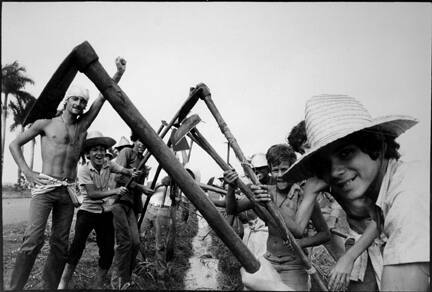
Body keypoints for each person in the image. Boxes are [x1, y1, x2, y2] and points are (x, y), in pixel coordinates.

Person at [283, 94, 429, 291]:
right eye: (317, 157)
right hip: (368, 242)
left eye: (345, 153)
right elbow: (298, 228)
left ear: (376, 144)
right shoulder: (324, 181)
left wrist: (349, 257)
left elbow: (379, 221)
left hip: (375, 242)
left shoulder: (408, 196)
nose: (335, 171)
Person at [8, 57, 126, 290]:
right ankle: (14, 288)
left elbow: (102, 97)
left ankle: (50, 287)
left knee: (60, 244)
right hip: (45, 188)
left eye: (83, 101)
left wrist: (118, 73)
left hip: (67, 191)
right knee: (32, 241)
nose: (80, 104)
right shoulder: (45, 124)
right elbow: (14, 144)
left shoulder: (82, 127)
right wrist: (27, 171)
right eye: (76, 99)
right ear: (66, 101)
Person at [224, 144, 330, 290]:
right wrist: (231, 187)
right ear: (270, 170)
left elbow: (325, 234)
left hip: (294, 265)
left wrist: (301, 243)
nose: (279, 175)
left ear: (293, 169)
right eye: (275, 170)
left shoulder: (304, 198)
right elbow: (232, 209)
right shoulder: (266, 192)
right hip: (269, 261)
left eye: (284, 170)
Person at [58, 131, 140, 289]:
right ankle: (63, 282)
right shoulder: (84, 170)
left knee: (108, 252)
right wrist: (115, 192)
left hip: (104, 213)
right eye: (95, 150)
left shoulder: (109, 163)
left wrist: (131, 172)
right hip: (87, 212)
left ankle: (97, 284)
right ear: (88, 154)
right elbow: (93, 194)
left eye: (102, 149)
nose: (100, 153)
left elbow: (123, 170)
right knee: (77, 247)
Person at [110, 131, 152, 289]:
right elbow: (118, 177)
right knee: (124, 243)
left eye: (146, 143)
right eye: (140, 141)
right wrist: (140, 186)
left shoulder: (143, 160)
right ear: (135, 140)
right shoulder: (126, 152)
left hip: (131, 206)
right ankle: (117, 282)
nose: (142, 145)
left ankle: (126, 278)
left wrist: (141, 188)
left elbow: (137, 189)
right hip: (119, 202)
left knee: (135, 242)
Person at [140, 175, 173, 280]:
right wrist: (161, 183)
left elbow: (177, 193)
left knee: (160, 245)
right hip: (149, 207)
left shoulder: (176, 170)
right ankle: (141, 266)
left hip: (163, 209)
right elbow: (148, 188)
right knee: (139, 236)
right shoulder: (156, 168)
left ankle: (161, 274)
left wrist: (172, 181)